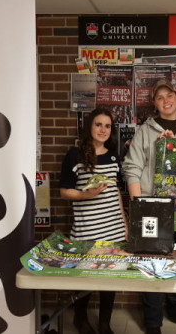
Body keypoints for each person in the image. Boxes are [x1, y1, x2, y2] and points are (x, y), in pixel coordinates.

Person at [123, 79, 176, 334]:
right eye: (159, 97)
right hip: (151, 206)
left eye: (169, 95)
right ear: (155, 104)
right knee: (152, 261)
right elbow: (132, 168)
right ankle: (153, 320)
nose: (166, 100)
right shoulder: (144, 131)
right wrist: (138, 207)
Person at [59, 108, 128, 334]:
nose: (103, 130)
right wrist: (86, 195)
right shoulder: (75, 155)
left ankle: (105, 323)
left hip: (113, 229)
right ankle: (80, 319)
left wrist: (125, 225)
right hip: (87, 229)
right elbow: (64, 192)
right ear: (90, 127)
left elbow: (116, 192)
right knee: (86, 279)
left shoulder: (113, 156)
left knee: (111, 278)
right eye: (98, 124)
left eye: (107, 126)